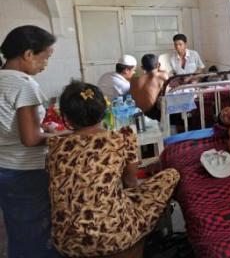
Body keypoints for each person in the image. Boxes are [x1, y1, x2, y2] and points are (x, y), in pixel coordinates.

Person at [47, 81, 180, 257]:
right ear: (104, 110)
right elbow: (130, 182)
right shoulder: (120, 139)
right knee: (171, 175)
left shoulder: (55, 147)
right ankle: (143, 236)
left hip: (67, 240)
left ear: (66, 117)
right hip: (113, 232)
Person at [0, 25, 61, 257]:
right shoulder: (24, 84)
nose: (45, 64)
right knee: (37, 232)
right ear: (28, 54)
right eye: (44, 57)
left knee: (19, 229)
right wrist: (60, 137)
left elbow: (10, 124)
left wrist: (39, 127)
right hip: (25, 170)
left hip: (4, 167)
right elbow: (30, 139)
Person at [130, 54, 169, 120]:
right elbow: (168, 91)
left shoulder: (133, 79)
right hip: (153, 115)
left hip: (136, 114)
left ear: (142, 67)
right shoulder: (162, 76)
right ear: (158, 65)